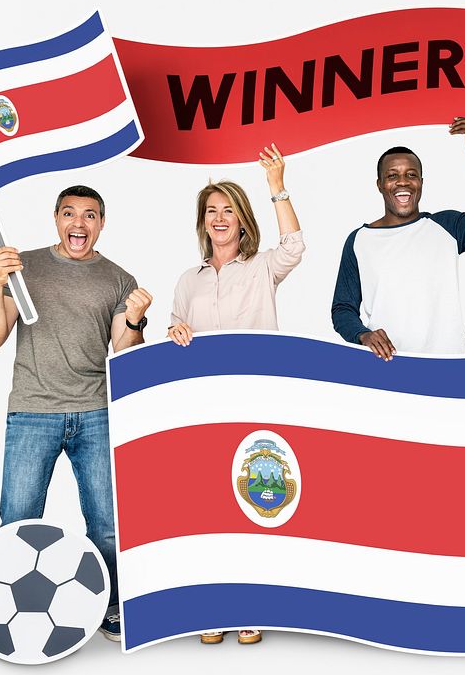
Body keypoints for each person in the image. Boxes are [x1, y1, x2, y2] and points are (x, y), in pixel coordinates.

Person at [0, 185, 154, 642]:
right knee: (16, 517)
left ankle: (112, 605)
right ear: (56, 218)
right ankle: (7, 607)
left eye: (90, 215)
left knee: (108, 523)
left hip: (96, 412)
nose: (79, 224)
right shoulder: (25, 267)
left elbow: (124, 350)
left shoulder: (118, 279)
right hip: (33, 412)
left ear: (101, 223)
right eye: (70, 214)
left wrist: (134, 318)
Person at [168, 144, 304, 645]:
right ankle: (214, 604)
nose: (220, 218)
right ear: (203, 223)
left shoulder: (263, 267)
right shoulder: (188, 279)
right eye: (212, 211)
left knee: (251, 499)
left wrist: (276, 183)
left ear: (243, 221)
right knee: (208, 504)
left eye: (228, 210)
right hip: (205, 407)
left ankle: (250, 602)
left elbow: (295, 244)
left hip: (256, 401)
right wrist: (174, 332)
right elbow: (178, 328)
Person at [331, 117, 465, 359]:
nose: (403, 182)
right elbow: (343, 309)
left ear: (421, 182)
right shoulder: (360, 240)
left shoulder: (446, 227)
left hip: (447, 365)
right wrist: (363, 335)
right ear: (380, 184)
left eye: (411, 174)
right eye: (392, 176)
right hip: (388, 365)